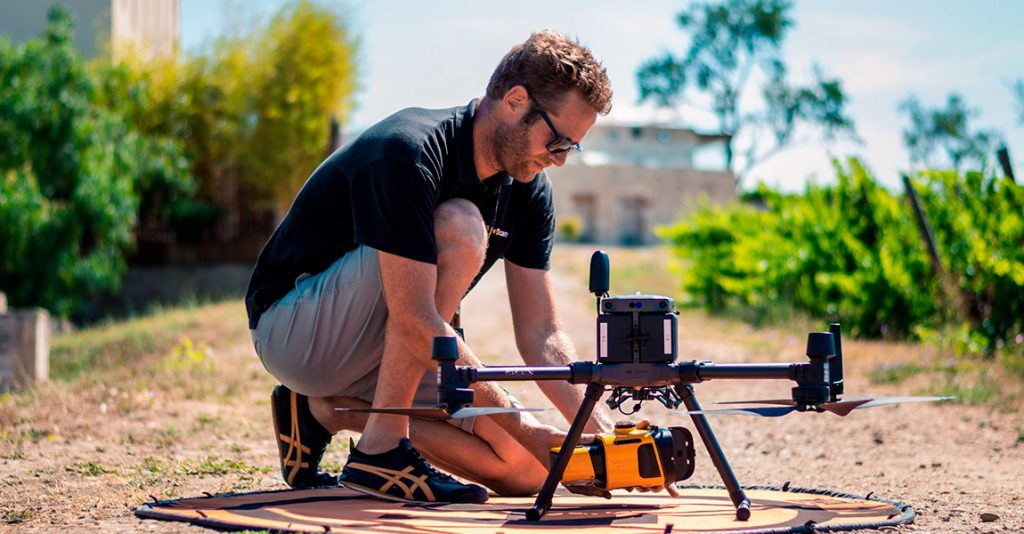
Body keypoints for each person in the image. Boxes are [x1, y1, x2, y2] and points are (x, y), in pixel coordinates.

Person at [245, 30, 618, 504]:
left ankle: (325, 411)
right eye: (558, 140)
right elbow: (416, 317)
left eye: (572, 148)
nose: (560, 160)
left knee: (528, 470)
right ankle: (381, 451)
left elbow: (542, 332)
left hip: (389, 348)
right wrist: (523, 424)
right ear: (515, 100)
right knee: (460, 228)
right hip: (294, 330)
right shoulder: (409, 151)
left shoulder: (528, 189)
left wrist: (600, 427)